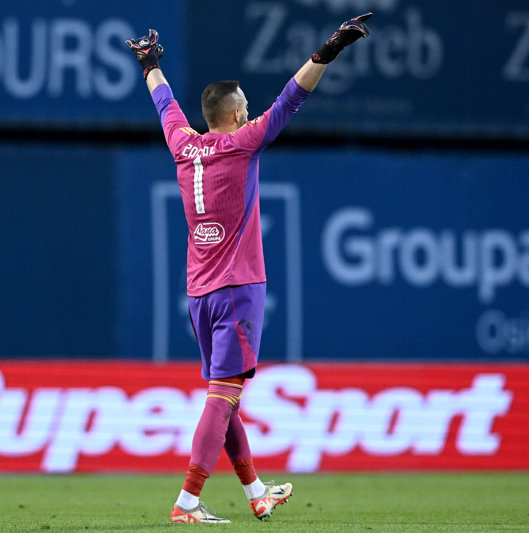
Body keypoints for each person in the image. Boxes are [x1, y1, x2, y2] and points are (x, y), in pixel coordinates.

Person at [126, 13, 372, 524]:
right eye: (245, 108)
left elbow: (165, 103)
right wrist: (330, 49)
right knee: (223, 396)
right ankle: (187, 502)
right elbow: (290, 99)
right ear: (237, 115)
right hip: (238, 289)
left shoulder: (182, 144)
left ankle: (257, 492)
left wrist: (149, 65)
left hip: (199, 294)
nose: (250, 112)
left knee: (226, 395)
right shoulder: (243, 143)